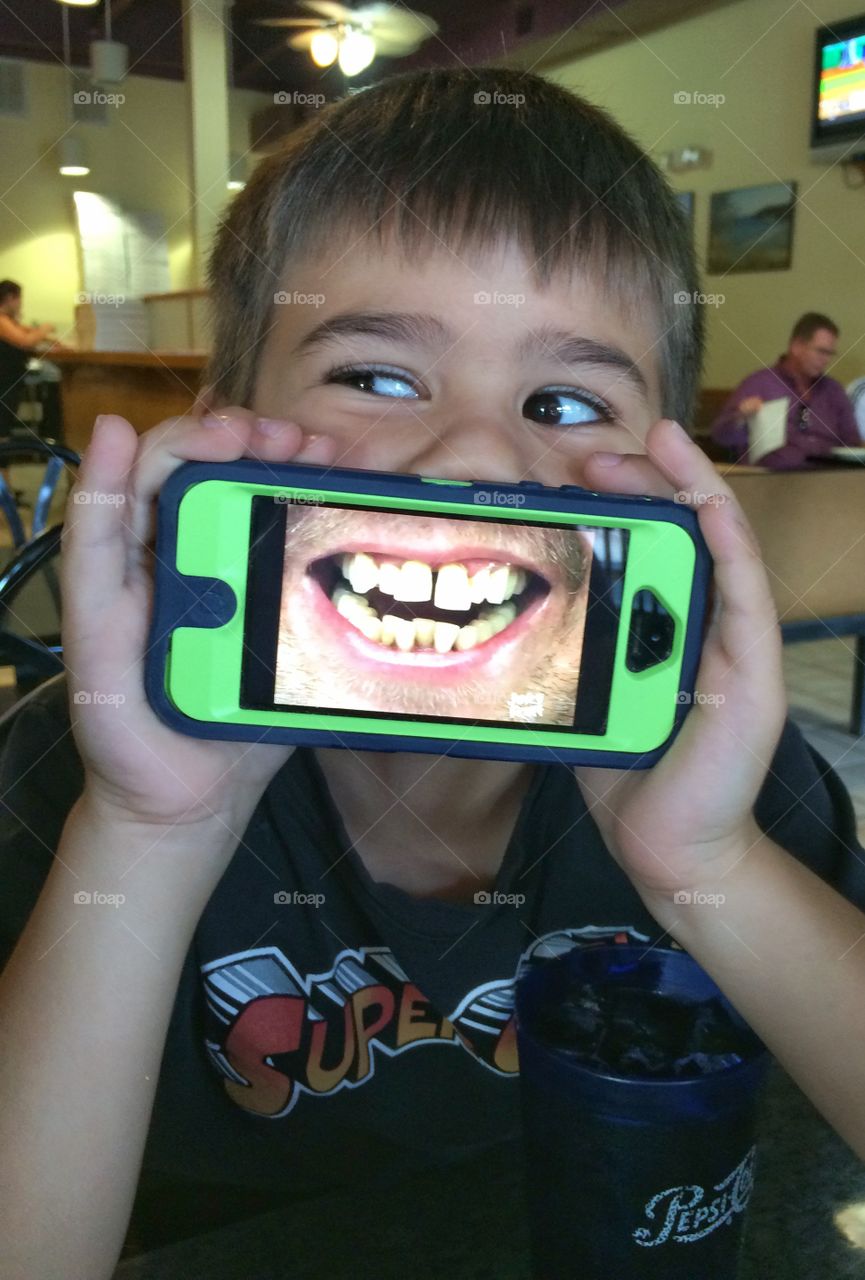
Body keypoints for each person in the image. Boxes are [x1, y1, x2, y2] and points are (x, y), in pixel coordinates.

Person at [1, 69, 865, 1279]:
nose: (470, 455)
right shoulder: (77, 771)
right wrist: (150, 833)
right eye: (378, 376)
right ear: (228, 433)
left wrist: (708, 862)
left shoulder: (718, 775)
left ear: (665, 483)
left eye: (563, 399)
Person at [710, 312, 861, 468]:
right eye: (821, 352)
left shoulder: (833, 390)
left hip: (828, 479)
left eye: (830, 354)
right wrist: (741, 416)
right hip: (770, 480)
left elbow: (852, 443)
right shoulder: (759, 383)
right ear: (796, 346)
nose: (826, 360)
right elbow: (721, 436)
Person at [0, 279, 65, 436]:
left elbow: (26, 332)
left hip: (11, 379)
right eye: (19, 299)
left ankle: (50, 432)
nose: (21, 304)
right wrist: (44, 328)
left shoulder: (9, 321)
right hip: (5, 379)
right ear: (10, 298)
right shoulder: (2, 320)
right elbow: (25, 341)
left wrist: (51, 340)